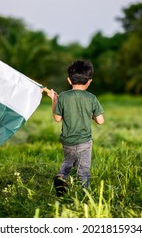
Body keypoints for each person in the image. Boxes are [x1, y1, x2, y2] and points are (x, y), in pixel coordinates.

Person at [46, 59, 104, 196]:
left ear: (69, 80)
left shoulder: (63, 97)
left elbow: (57, 118)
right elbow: (100, 121)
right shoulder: (91, 98)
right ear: (89, 81)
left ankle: (61, 177)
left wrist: (54, 99)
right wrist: (91, 115)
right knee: (83, 170)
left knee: (68, 162)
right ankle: (84, 195)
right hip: (84, 142)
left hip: (67, 141)